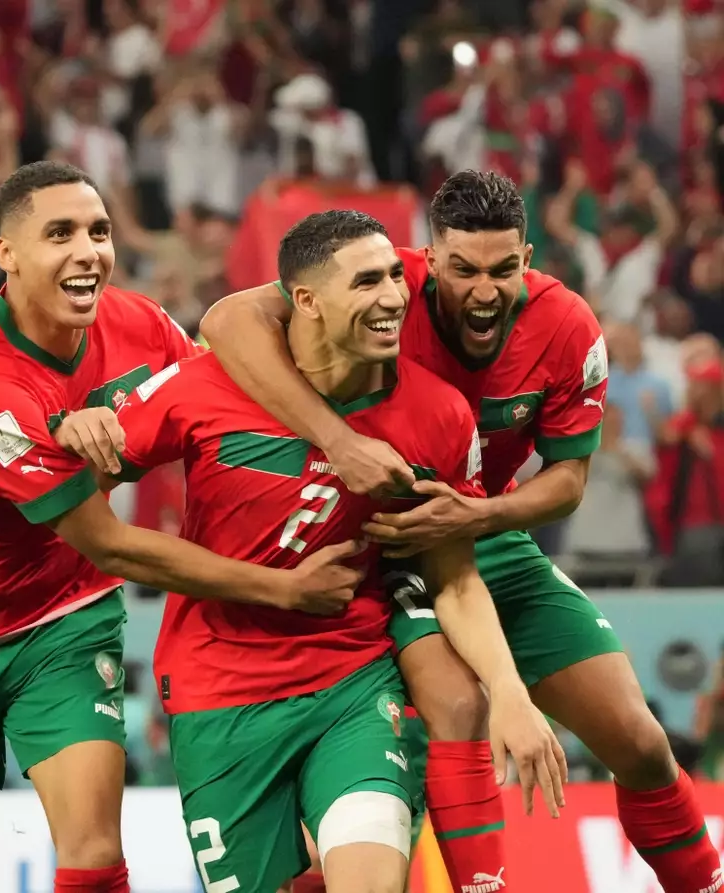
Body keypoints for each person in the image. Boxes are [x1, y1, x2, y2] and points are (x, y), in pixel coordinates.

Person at [199, 171, 723, 893]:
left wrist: (477, 514)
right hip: (366, 552)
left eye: (504, 269)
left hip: (485, 537)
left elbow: (566, 482)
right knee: (451, 712)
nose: (484, 290)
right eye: (464, 269)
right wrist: (335, 440)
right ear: (430, 259)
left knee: (638, 740)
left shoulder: (566, 327)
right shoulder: (382, 290)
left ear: (528, 258)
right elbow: (226, 320)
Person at [0, 160, 363, 893]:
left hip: (64, 618)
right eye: (59, 233)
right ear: (8, 255)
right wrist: (284, 588)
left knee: (93, 851)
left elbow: (214, 415)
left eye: (98, 231)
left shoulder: (141, 325)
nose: (87, 250)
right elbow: (110, 539)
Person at [100, 210, 563, 893]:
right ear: (307, 301)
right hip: (217, 693)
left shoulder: (438, 415)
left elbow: (456, 581)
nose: (393, 297)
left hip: (351, 682)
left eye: (393, 278)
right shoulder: (204, 387)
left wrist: (511, 692)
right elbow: (84, 509)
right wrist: (81, 420)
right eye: (367, 281)